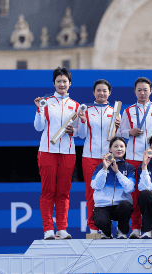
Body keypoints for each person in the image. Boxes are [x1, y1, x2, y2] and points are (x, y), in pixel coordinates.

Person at [119, 77, 152, 239]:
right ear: (135, 91)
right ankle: (135, 227)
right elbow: (119, 133)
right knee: (134, 194)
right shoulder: (127, 111)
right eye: (139, 90)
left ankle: (150, 227)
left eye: (145, 90)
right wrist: (129, 132)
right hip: (134, 157)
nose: (142, 93)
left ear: (151, 91)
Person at [34, 67, 79, 240]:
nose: (62, 84)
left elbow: (80, 133)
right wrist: (39, 110)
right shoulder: (46, 102)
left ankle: (62, 228)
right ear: (54, 83)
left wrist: (73, 130)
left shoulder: (75, 106)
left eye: (65, 81)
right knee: (48, 191)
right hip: (47, 151)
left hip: (68, 152)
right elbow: (38, 127)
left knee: (63, 192)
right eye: (58, 81)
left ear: (69, 84)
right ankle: (48, 230)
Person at [77, 79, 121, 234]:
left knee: (109, 192)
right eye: (98, 90)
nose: (101, 93)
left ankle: (107, 227)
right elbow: (81, 136)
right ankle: (93, 228)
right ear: (93, 92)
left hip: (108, 158)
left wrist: (117, 127)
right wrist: (82, 122)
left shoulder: (115, 112)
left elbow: (119, 138)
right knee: (91, 192)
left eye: (104, 90)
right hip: (90, 157)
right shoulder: (86, 111)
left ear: (109, 93)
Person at [91, 137, 135, 239]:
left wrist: (117, 171)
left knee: (126, 206)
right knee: (101, 221)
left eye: (122, 146)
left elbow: (129, 188)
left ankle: (122, 231)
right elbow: (96, 186)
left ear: (125, 149)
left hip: (121, 205)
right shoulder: (100, 166)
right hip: (103, 205)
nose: (119, 149)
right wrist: (105, 168)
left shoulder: (129, 168)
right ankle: (106, 232)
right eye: (116, 146)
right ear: (110, 149)